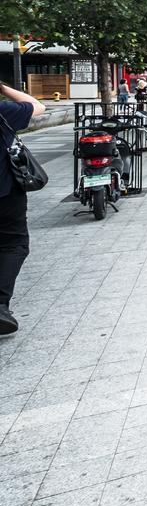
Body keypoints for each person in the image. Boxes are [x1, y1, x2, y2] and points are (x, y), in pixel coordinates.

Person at [0, 80, 45, 335]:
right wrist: (4, 88)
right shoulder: (4, 112)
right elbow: (37, 106)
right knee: (14, 244)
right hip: (5, 194)